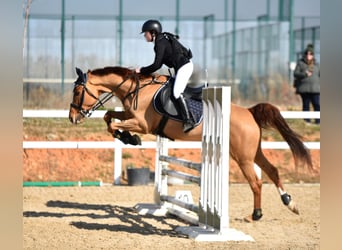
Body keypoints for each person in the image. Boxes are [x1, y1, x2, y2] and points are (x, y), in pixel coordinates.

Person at [135, 19, 195, 132]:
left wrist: (142, 70)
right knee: (168, 86)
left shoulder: (160, 43)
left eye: (145, 33)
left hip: (184, 67)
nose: (144, 36)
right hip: (181, 67)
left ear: (152, 32)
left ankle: (188, 120)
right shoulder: (161, 41)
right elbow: (159, 63)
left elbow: (157, 65)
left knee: (177, 93)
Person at [293, 44, 320, 125]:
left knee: (317, 104)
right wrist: (304, 74)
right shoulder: (300, 64)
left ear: (313, 55)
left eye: (311, 53)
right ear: (305, 54)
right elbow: (295, 73)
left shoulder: (317, 64)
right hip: (304, 89)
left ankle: (318, 121)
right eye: (307, 53)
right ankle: (307, 121)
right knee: (306, 105)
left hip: (315, 89)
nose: (309, 55)